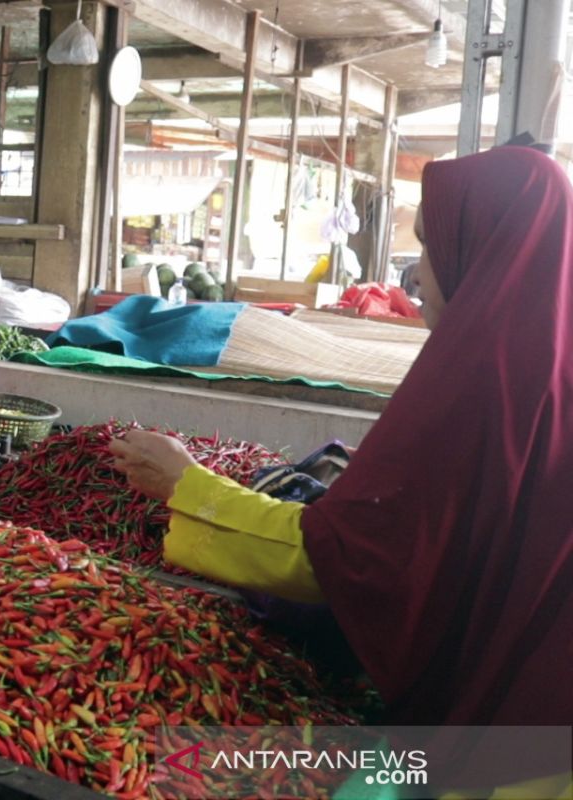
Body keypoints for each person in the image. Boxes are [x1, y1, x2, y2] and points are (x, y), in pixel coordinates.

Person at [111, 146, 572, 796]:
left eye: (429, 247)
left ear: (480, 248)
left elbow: (343, 558)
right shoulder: (547, 360)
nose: (417, 276)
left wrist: (186, 484)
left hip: (511, 751)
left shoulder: (479, 382)